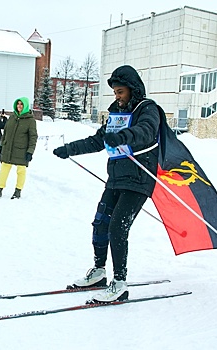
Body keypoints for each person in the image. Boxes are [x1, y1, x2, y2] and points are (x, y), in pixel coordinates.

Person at [52, 65, 162, 303]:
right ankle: (99, 272)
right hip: (116, 178)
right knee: (101, 223)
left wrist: (123, 136)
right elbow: (97, 140)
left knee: (118, 227)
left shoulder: (148, 109)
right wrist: (69, 149)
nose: (117, 97)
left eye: (121, 92)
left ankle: (119, 284)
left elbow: (146, 131)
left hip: (139, 178)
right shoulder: (115, 113)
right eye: (115, 92)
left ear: (132, 90)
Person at [0, 97, 37, 199]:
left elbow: (33, 137)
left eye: (21, 104)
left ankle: (18, 191)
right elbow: (6, 132)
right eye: (18, 104)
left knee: (21, 170)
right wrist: (1, 145)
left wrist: (30, 151)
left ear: (25, 106)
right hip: (8, 148)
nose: (19, 106)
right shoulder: (12, 117)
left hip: (21, 150)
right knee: (4, 169)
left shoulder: (30, 120)